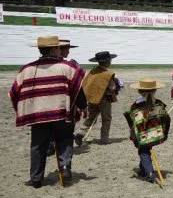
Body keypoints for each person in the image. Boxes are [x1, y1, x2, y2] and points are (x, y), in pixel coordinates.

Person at [9, 36, 87, 188]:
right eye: (58, 47)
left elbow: (14, 93)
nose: (60, 49)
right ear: (53, 49)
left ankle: (36, 178)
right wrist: (83, 106)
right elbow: (78, 90)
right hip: (61, 114)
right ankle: (64, 168)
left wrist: (25, 109)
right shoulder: (68, 67)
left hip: (38, 115)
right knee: (64, 140)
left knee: (38, 145)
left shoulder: (27, 69)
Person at [124, 78, 170, 184]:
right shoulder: (159, 104)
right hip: (156, 133)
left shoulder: (135, 105)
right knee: (146, 148)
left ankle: (149, 172)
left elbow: (131, 119)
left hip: (142, 134)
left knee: (143, 150)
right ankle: (143, 170)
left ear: (140, 91)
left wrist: (135, 132)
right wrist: (162, 131)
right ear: (155, 91)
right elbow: (166, 119)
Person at [75, 51, 120, 147]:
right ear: (107, 61)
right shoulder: (108, 74)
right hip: (104, 99)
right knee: (106, 118)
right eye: (110, 60)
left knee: (91, 117)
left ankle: (80, 134)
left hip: (92, 98)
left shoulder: (93, 71)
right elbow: (112, 87)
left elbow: (86, 84)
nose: (111, 62)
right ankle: (104, 138)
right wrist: (117, 84)